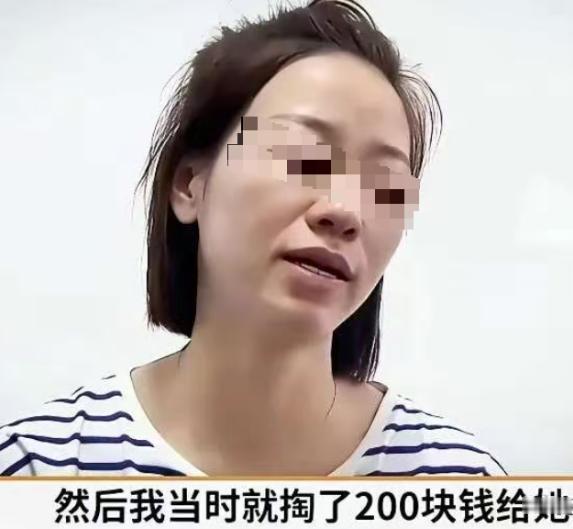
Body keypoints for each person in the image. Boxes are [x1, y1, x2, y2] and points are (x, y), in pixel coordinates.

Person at [0, 0, 506, 477]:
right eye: (303, 157)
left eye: (385, 185)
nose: (345, 211)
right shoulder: (39, 467)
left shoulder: (459, 481)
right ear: (190, 184)